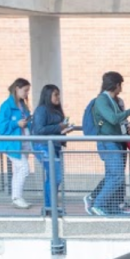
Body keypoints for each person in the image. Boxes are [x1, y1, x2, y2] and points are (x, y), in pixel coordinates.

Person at [90, 71, 130, 215]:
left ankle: (109, 205)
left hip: (115, 141)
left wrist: (128, 124)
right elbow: (112, 119)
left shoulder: (113, 101)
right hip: (108, 142)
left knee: (112, 175)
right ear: (116, 85)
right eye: (120, 84)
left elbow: (117, 120)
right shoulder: (102, 100)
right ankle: (97, 203)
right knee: (117, 176)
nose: (121, 88)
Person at [31, 84, 74, 215]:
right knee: (56, 176)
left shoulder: (56, 110)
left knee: (53, 176)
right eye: (55, 94)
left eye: (58, 94)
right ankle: (50, 207)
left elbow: (56, 128)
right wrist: (59, 127)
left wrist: (64, 130)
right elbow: (39, 130)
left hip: (55, 146)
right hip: (43, 145)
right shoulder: (41, 110)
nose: (58, 97)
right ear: (48, 95)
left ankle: (50, 207)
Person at [0, 78, 33, 209]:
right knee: (24, 168)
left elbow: (26, 122)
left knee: (19, 170)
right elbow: (0, 125)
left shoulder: (22, 105)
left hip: (23, 143)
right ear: (17, 88)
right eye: (25, 90)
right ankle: (17, 197)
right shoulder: (6, 105)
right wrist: (16, 123)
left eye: (28, 91)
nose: (27, 93)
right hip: (12, 144)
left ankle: (16, 197)